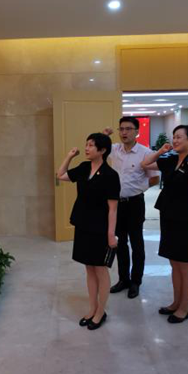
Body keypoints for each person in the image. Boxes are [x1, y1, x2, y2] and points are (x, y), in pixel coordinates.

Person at [142, 125, 188, 323]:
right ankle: (176, 302)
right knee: (174, 263)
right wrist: (160, 151)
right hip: (168, 216)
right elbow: (145, 164)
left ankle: (184, 307)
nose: (175, 140)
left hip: (187, 219)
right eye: (174, 136)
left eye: (180, 137)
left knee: (185, 265)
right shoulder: (170, 160)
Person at [56, 132, 120, 330]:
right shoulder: (84, 168)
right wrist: (69, 156)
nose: (87, 148)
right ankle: (92, 308)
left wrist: (111, 234)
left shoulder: (110, 175)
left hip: (100, 227)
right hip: (83, 223)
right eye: (86, 144)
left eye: (91, 145)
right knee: (89, 268)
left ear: (102, 150)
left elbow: (112, 209)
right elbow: (61, 175)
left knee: (100, 268)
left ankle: (101, 311)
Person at [102, 118, 159, 299]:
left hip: (135, 203)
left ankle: (136, 281)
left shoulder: (145, 153)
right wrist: (105, 135)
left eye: (128, 129)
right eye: (121, 129)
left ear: (137, 131)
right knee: (120, 244)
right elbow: (99, 147)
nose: (124, 132)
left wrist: (138, 189)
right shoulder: (114, 149)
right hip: (117, 205)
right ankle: (123, 279)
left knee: (137, 244)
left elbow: (155, 178)